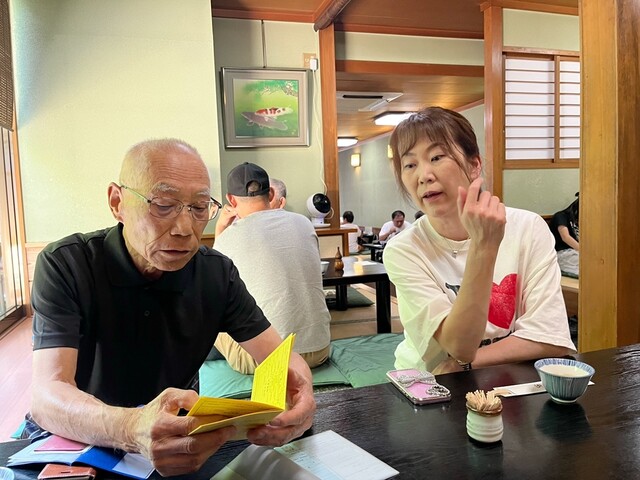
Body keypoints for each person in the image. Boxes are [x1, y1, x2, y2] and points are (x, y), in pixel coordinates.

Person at [28, 139, 315, 477]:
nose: (184, 229)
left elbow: (280, 357)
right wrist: (130, 427)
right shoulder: (67, 264)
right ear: (117, 202)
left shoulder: (216, 273)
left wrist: (304, 398)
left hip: (179, 439)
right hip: (84, 434)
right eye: (163, 205)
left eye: (199, 208)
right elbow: (47, 394)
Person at [384, 107, 576, 374]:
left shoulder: (528, 228)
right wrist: (484, 246)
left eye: (437, 157)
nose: (424, 175)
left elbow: (550, 337)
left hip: (509, 377)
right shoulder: (404, 249)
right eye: (410, 165)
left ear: (474, 165)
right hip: (429, 380)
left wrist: (467, 363)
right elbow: (458, 345)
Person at [213, 162, 331, 374]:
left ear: (231, 200)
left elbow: (214, 276)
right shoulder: (304, 223)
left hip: (263, 360)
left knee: (211, 308)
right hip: (319, 350)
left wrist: (220, 229)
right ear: (271, 194)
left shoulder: (229, 236)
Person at [550, 194, 579, 277]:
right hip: (562, 253)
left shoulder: (577, 220)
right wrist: (586, 252)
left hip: (574, 252)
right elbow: (565, 237)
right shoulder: (560, 216)